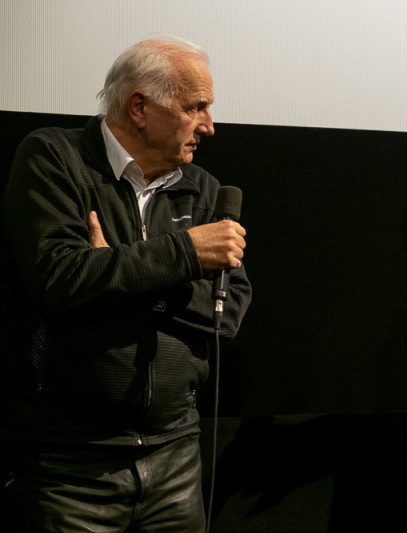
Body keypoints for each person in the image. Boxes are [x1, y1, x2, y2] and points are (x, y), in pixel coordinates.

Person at [0, 35, 252, 532]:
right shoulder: (54, 158)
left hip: (177, 457)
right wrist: (184, 255)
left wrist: (117, 271)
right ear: (140, 106)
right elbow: (59, 280)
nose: (210, 125)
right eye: (195, 106)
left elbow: (230, 310)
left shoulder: (200, 187)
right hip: (71, 466)